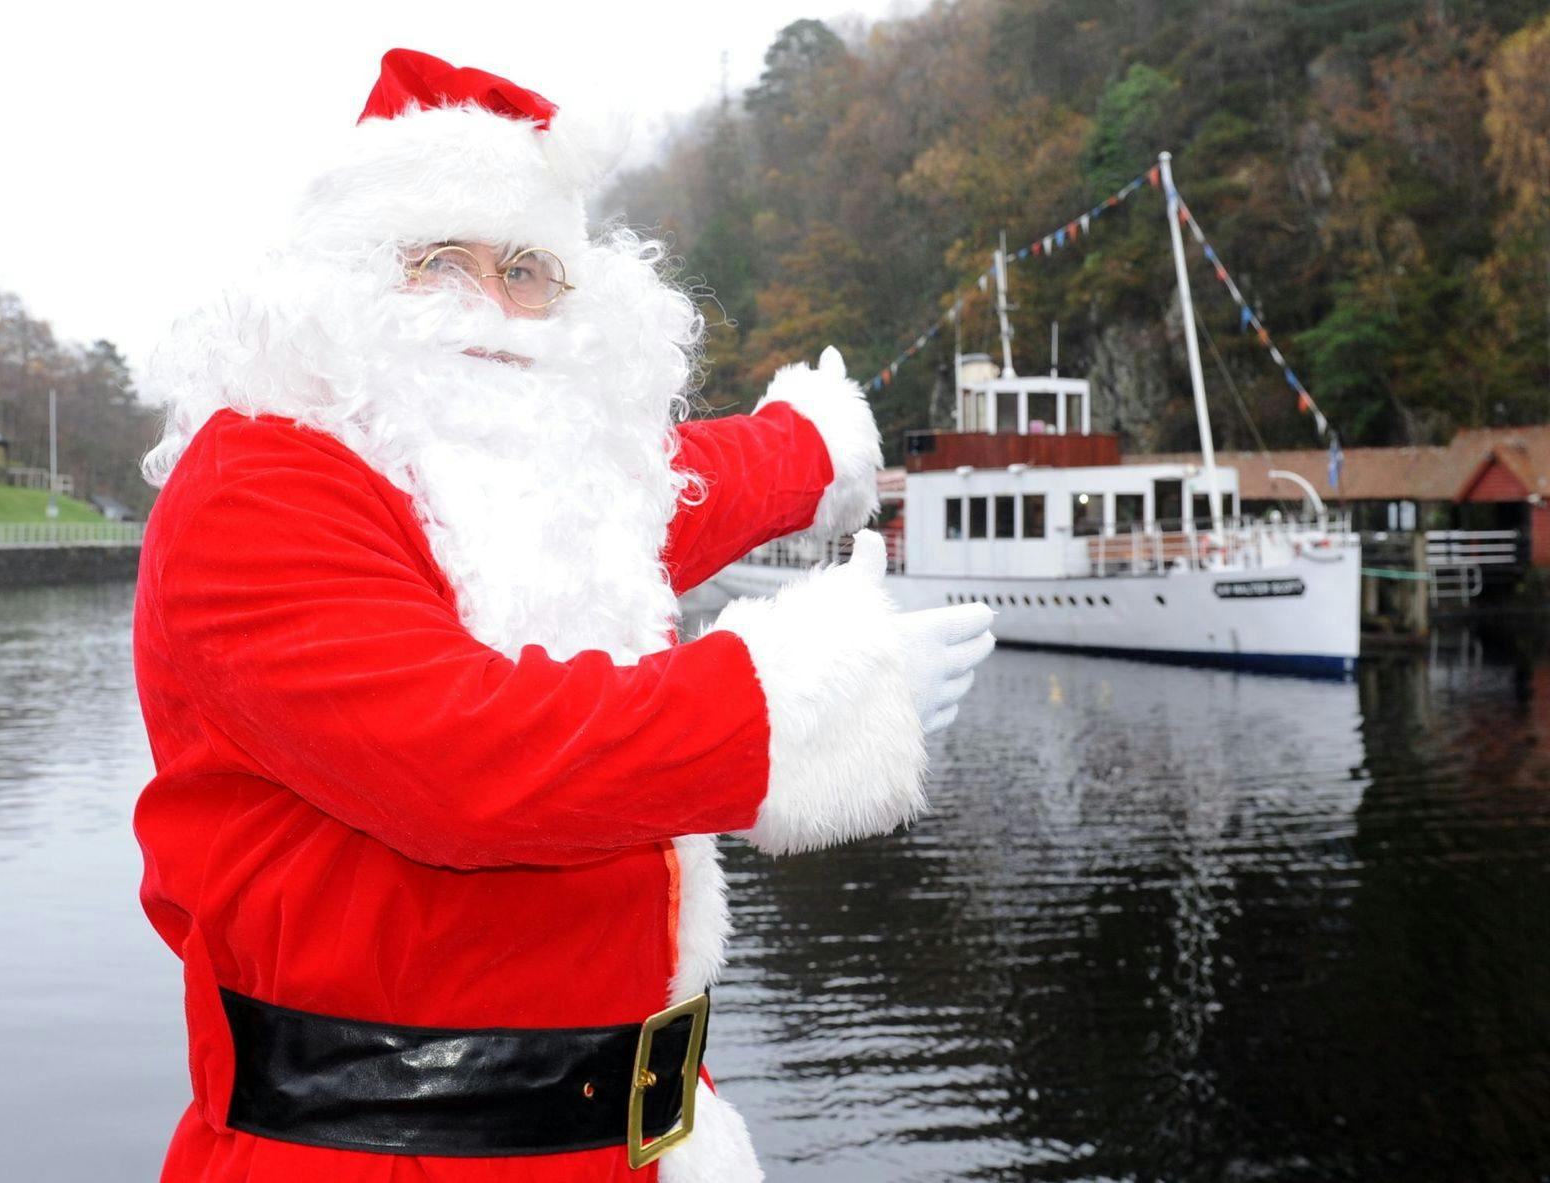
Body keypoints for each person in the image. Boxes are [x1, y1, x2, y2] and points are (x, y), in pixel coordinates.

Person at [132, 48, 994, 1183]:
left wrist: (815, 445)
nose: (492, 305)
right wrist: (799, 703)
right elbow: (463, 762)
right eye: (439, 261)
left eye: (529, 268)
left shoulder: (544, 478)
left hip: (640, 1143)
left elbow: (683, 482)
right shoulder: (260, 484)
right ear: (339, 284)